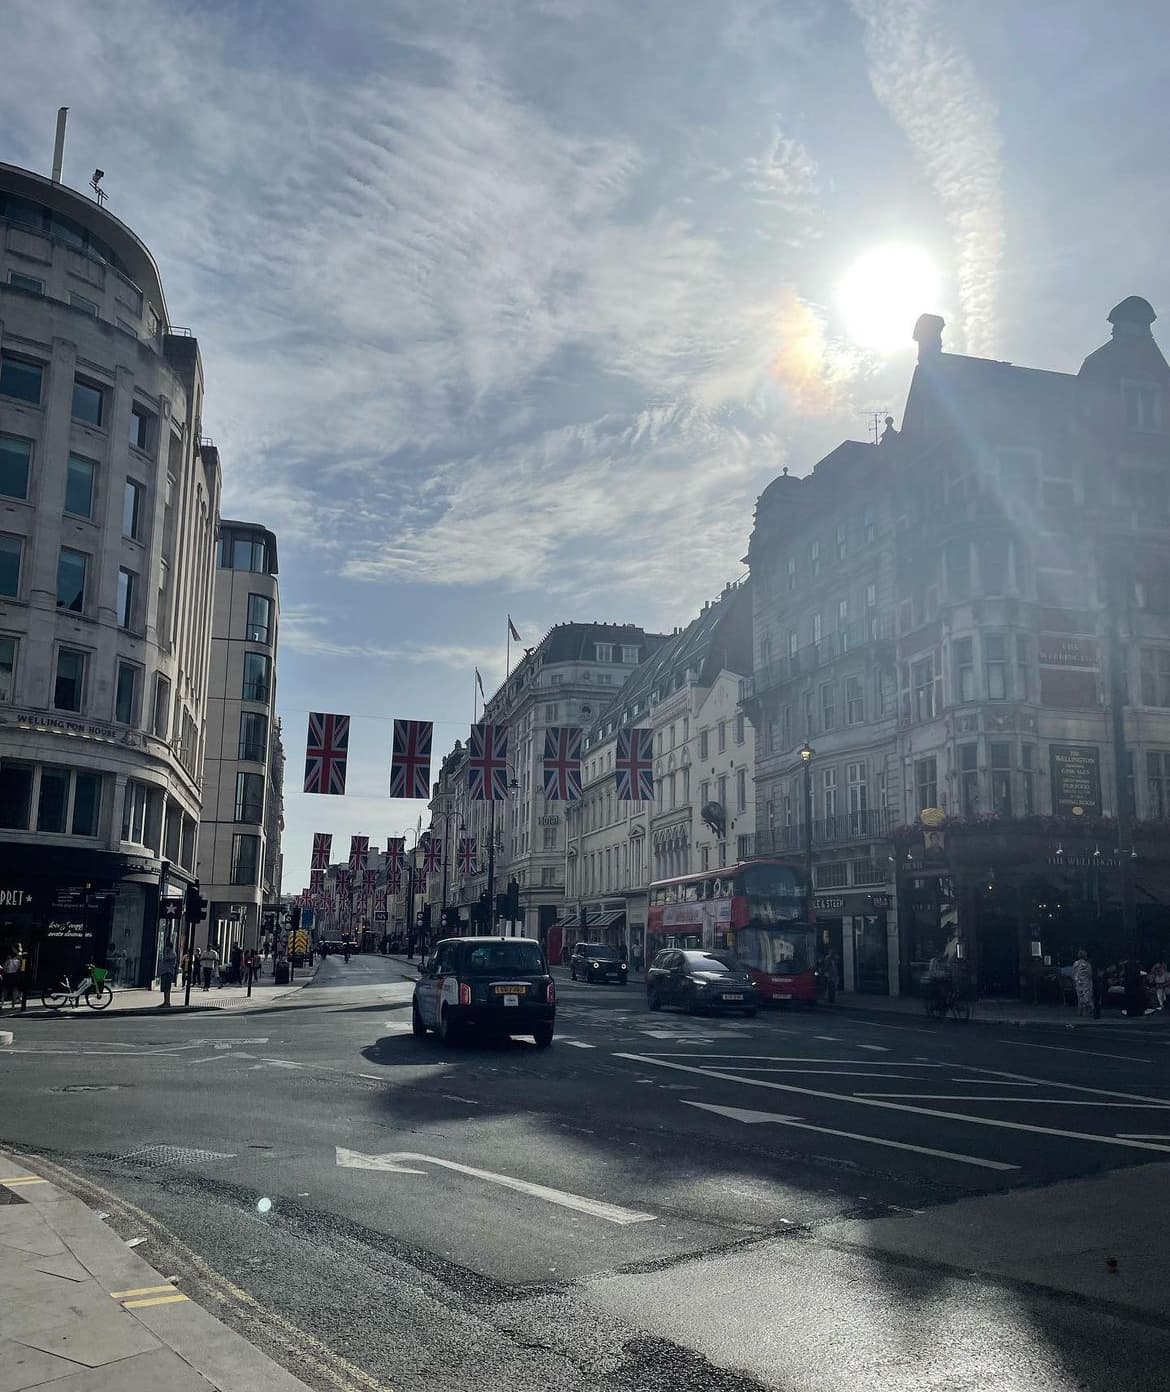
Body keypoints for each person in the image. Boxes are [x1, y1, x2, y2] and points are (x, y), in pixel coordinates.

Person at [1072, 949, 1094, 1018]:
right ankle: (1086, 1012)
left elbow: (1073, 973)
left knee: (1080, 997)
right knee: (1087, 997)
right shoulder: (1087, 964)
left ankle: (1080, 1011)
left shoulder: (1075, 963)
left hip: (1078, 982)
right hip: (1086, 983)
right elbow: (1090, 974)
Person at [158, 941, 178, 1008]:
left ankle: (168, 1002)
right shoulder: (168, 953)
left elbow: (166, 958)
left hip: (168, 972)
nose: (166, 948)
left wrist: (166, 953)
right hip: (164, 972)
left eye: (167, 946)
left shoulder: (172, 953)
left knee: (167, 988)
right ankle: (165, 1001)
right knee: (164, 988)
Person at [2, 943, 22, 1008]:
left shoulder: (8, 960)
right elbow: (19, 968)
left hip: (8, 975)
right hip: (15, 975)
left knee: (5, 990)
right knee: (14, 990)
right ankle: (13, 1005)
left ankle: (1, 1003)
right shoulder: (19, 959)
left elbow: (4, 969)